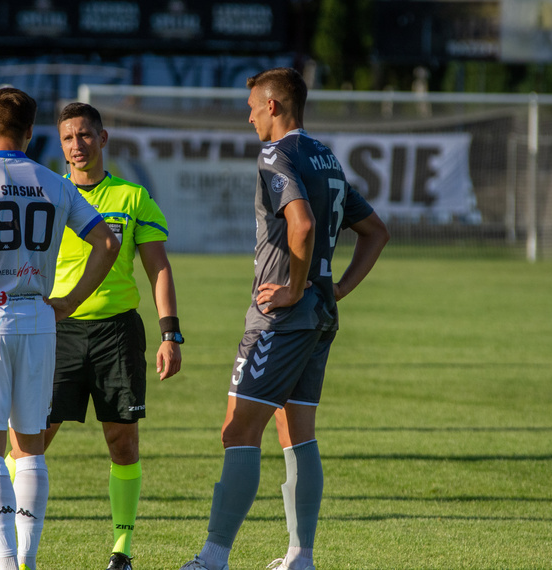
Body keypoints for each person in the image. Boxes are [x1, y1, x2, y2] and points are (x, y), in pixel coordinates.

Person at [178, 68, 389, 570]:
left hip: (282, 316)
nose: (248, 116)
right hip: (320, 313)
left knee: (238, 430)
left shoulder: (277, 154)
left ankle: (213, 558)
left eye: (252, 106)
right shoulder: (327, 157)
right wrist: (333, 288)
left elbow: (302, 223)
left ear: (273, 106)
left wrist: (293, 287)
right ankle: (300, 556)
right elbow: (376, 231)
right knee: (298, 433)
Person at [0, 102, 183, 570]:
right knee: (30, 438)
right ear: (59, 143)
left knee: (122, 441)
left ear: (103, 138)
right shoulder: (48, 192)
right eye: (68, 138)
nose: (77, 145)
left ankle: (121, 549)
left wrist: (171, 333)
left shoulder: (133, 198)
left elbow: (159, 269)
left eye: (85, 135)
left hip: (117, 333)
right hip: (55, 330)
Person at [0, 87, 120, 570]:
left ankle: (6, 561)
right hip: (38, 318)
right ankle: (29, 559)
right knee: (30, 444)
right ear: (32, 134)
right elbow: (108, 243)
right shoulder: (56, 184)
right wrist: (70, 302)